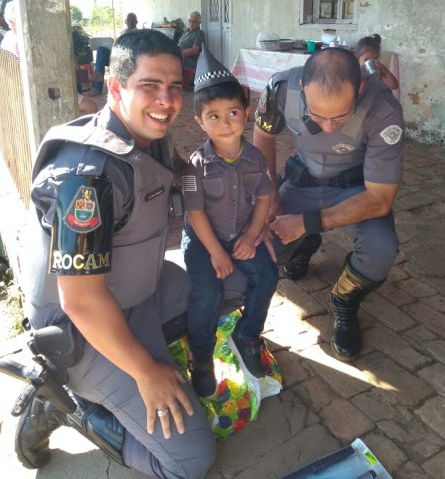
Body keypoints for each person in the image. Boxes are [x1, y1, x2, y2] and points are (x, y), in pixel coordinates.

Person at [18, 30, 248, 478]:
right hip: (83, 331)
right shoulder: (86, 179)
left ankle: (142, 364)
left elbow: (196, 179)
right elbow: (81, 301)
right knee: (190, 462)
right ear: (115, 87)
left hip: (141, 291)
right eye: (150, 86)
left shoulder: (150, 139)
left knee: (234, 283)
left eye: (175, 87)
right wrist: (146, 372)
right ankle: (67, 405)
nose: (167, 101)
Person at [253, 47, 404, 362]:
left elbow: (380, 199)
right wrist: (270, 196)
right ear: (303, 88)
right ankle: (304, 246)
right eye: (317, 115)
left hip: (357, 191)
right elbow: (262, 136)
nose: (328, 127)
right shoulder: (280, 89)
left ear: (359, 88)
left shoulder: (383, 108)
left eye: (340, 116)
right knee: (263, 245)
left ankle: (345, 301)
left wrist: (306, 223)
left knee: (381, 250)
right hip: (302, 183)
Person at [181, 48, 278, 397]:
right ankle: (201, 356)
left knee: (268, 274)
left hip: (240, 234)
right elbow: (195, 214)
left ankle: (247, 334)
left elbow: (264, 197)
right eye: (214, 116)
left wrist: (252, 235)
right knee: (206, 293)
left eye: (233, 113)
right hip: (203, 240)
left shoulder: (255, 158)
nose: (225, 123)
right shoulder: (195, 166)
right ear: (200, 122)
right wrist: (216, 254)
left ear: (246, 113)